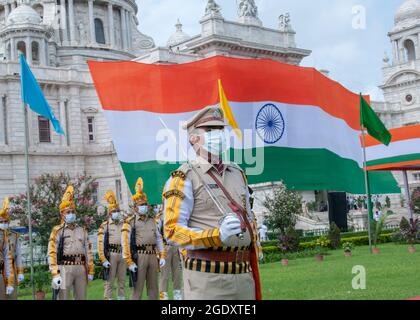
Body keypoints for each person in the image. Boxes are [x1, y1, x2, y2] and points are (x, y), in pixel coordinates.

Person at [162, 105, 262, 300]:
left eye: (220, 130)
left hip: (243, 275)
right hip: (207, 279)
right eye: (210, 130)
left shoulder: (237, 173)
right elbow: (172, 231)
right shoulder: (184, 177)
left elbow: (249, 218)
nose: (217, 135)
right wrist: (215, 235)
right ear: (193, 138)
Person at [121, 178, 166, 300]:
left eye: (145, 204)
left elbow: (158, 238)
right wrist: (129, 262)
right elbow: (125, 243)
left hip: (152, 256)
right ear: (135, 207)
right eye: (141, 205)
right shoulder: (130, 222)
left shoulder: (153, 220)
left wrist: (162, 255)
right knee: (137, 289)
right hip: (139, 256)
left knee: (153, 288)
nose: (144, 207)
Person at [48, 186, 95, 300]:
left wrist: (91, 269)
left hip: (80, 268)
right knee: (63, 297)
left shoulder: (82, 230)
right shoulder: (57, 231)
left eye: (73, 211)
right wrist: (55, 273)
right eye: (68, 212)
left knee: (81, 297)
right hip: (65, 268)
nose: (71, 214)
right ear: (62, 214)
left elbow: (88, 251)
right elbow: (52, 253)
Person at [98, 190, 127, 300]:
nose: (117, 213)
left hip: (123, 255)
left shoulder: (124, 224)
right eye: (114, 211)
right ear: (110, 213)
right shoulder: (105, 226)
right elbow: (100, 244)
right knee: (109, 283)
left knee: (122, 282)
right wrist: (103, 259)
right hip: (111, 255)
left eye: (118, 210)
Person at [156, 206, 183, 300]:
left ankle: (177, 293)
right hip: (165, 246)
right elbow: (157, 235)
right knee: (165, 273)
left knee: (177, 272)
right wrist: (158, 251)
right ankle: (163, 295)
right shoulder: (160, 218)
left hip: (175, 246)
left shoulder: (175, 215)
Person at [1, 197, 24, 300]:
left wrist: (20, 272)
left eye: (6, 221)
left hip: (11, 269)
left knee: (12, 296)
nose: (4, 223)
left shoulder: (14, 235)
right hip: (1, 268)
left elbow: (18, 255)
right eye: (2, 221)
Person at [0, 197, 14, 300]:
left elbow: (8, 258)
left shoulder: (4, 237)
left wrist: (9, 281)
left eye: (5, 221)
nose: (4, 224)